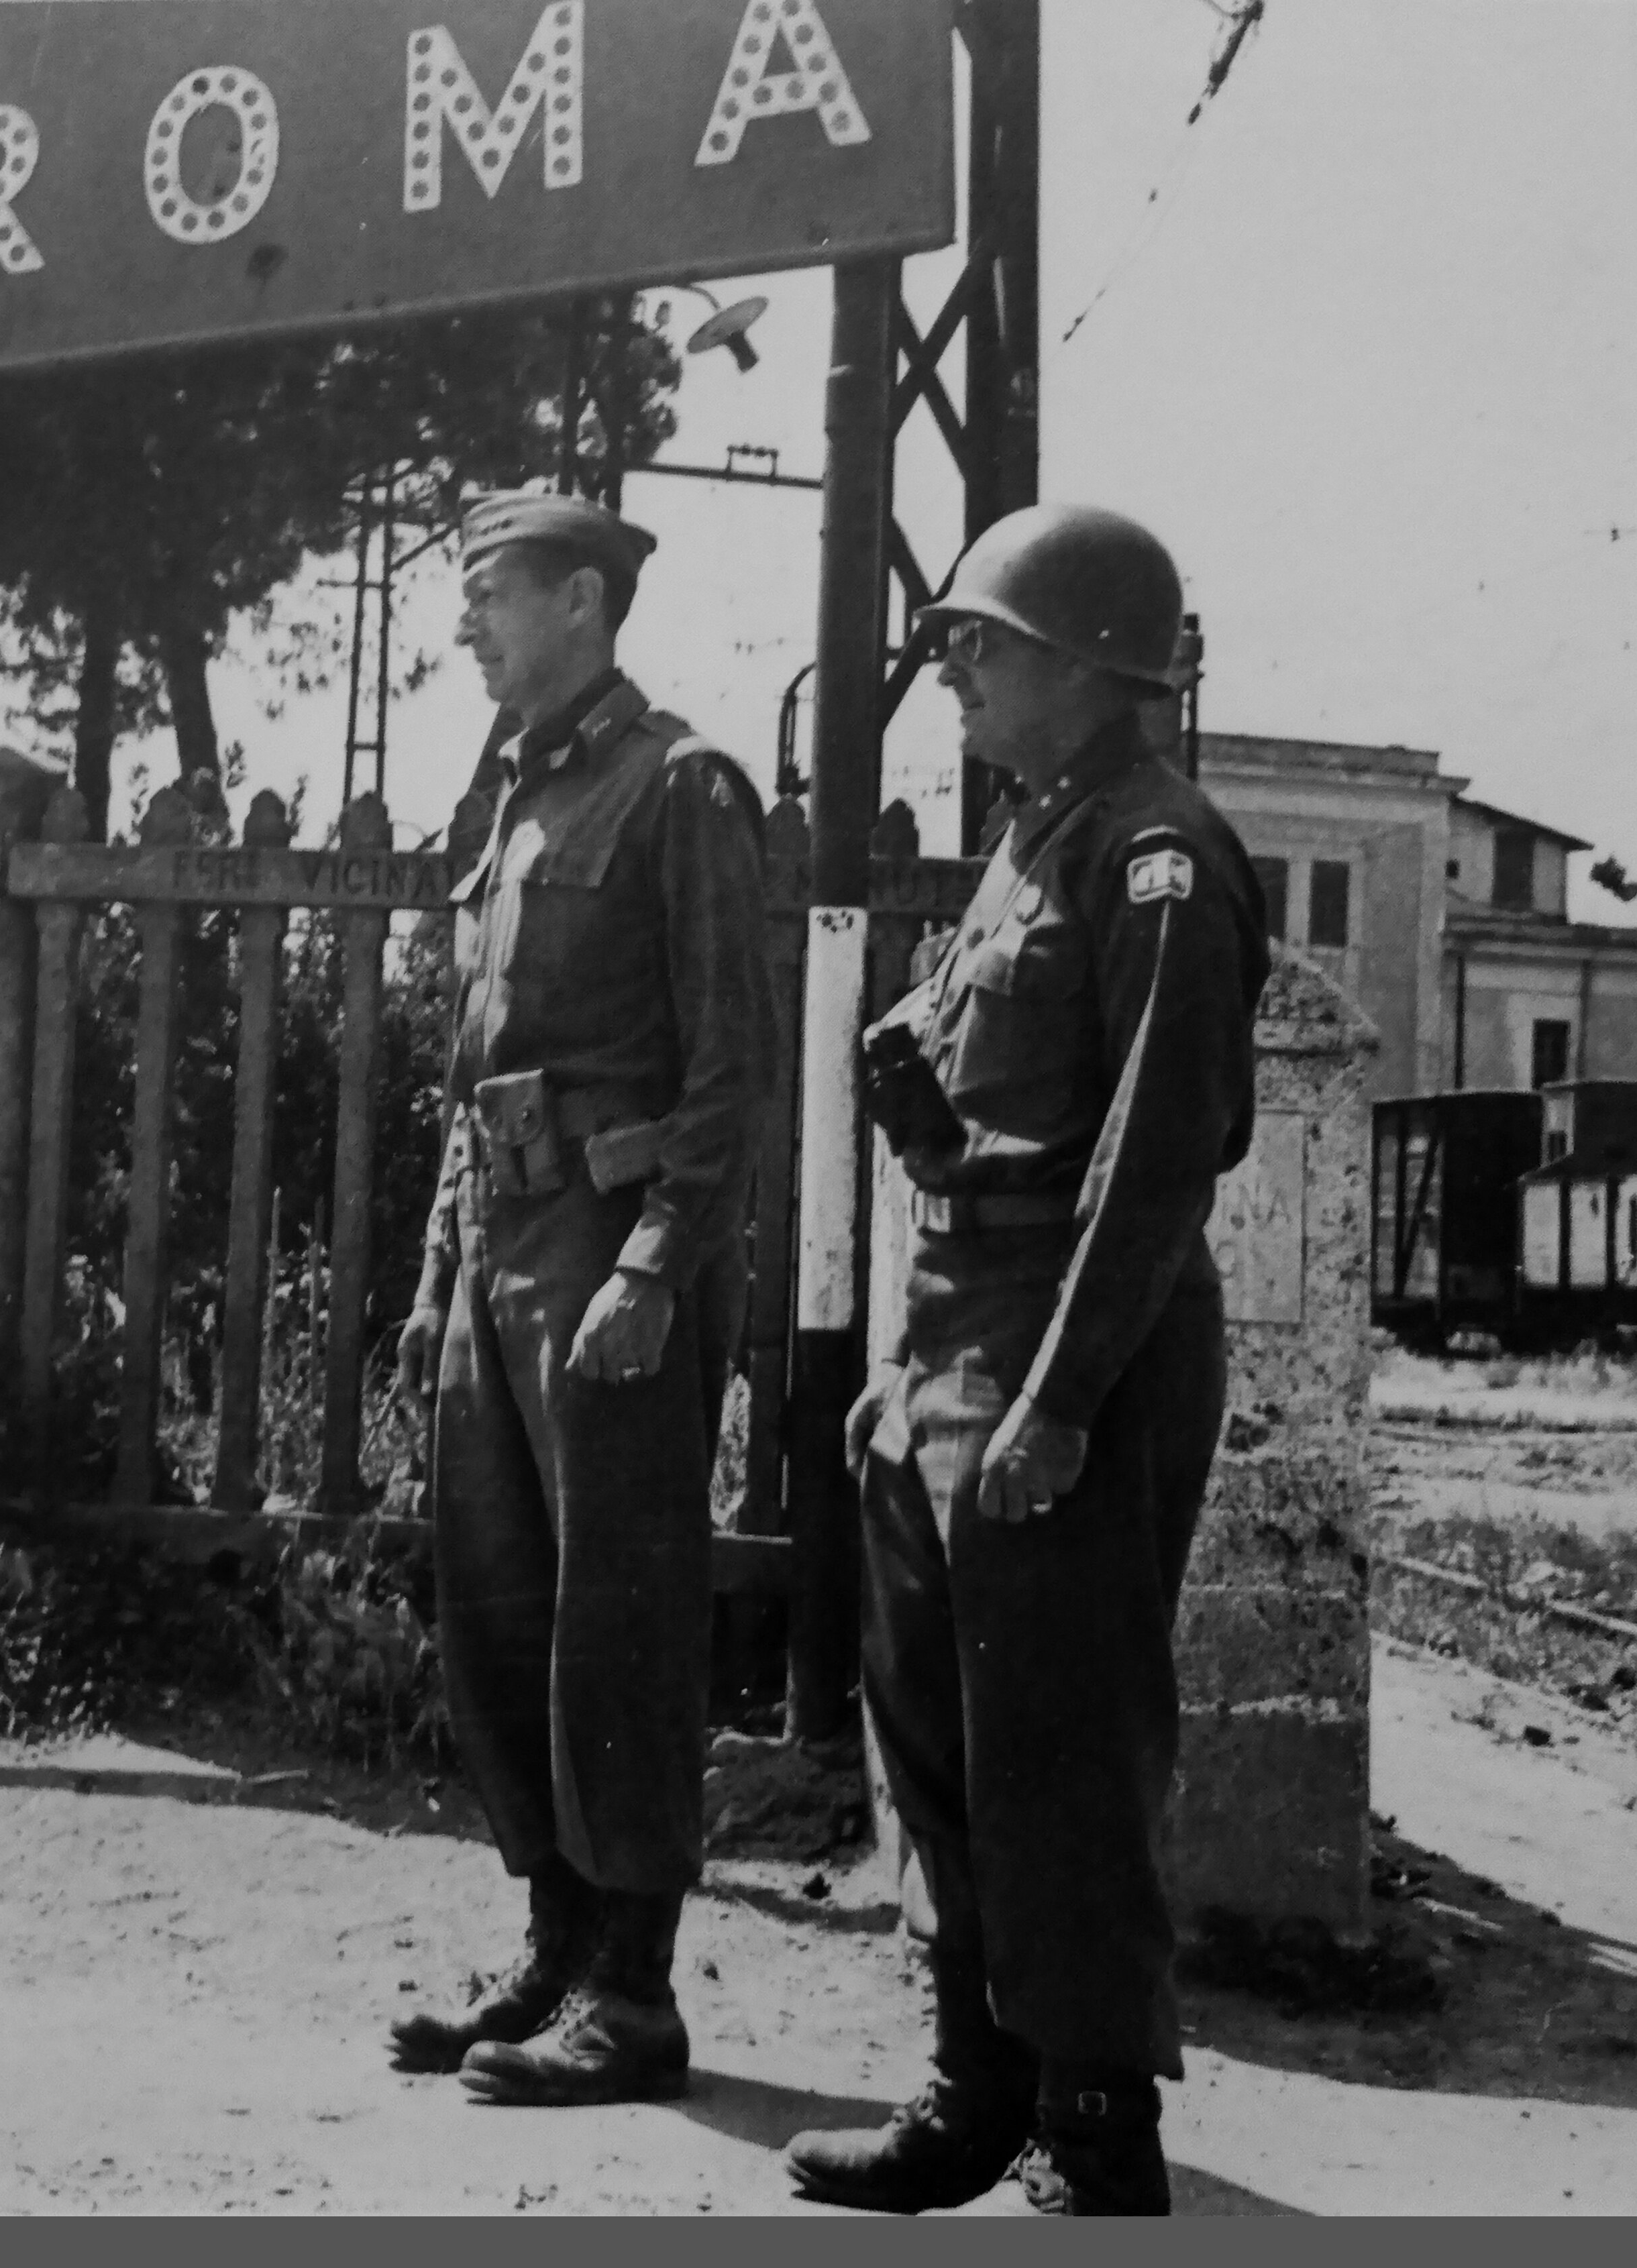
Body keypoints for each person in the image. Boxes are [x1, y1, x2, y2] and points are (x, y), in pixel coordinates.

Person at [784, 503, 1269, 2216]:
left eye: (981, 644)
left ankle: (1092, 2118)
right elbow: (975, 1123)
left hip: (1073, 1342)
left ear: (1082, 663)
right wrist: (902, 1369)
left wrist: (1058, 1399)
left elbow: (1155, 1154)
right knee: (939, 1735)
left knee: (1058, 1742)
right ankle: (974, 2082)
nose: (955, 670)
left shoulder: (1158, 856)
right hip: (956, 1339)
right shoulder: (1029, 842)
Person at [388, 490, 775, 2106]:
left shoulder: (682, 784)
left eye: (492, 593)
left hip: (608, 1254)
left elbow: (730, 1068)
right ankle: (556, 1942)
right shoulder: (519, 797)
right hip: (499, 1245)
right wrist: (431, 1276)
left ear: (584, 599)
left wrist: (650, 1264)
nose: (466, 623)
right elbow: (473, 1068)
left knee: (616, 1625)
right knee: (499, 1611)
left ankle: (635, 1996)